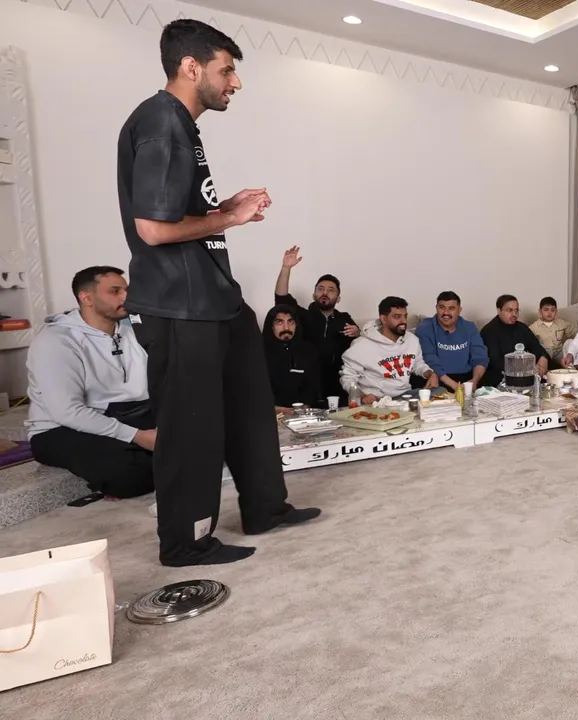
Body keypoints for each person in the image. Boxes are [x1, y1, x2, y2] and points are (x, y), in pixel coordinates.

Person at [117, 19, 318, 566]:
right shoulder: (162, 123)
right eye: (227, 70)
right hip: (180, 304)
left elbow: (175, 214)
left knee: (250, 405)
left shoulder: (181, 126)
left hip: (215, 297)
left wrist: (220, 208)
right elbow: (152, 229)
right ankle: (186, 542)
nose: (236, 82)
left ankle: (265, 507)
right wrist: (228, 219)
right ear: (191, 67)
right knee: (192, 429)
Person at [25, 267, 156, 499]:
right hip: (60, 429)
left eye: (126, 290)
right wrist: (138, 436)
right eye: (115, 291)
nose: (126, 297)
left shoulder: (134, 331)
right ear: (86, 298)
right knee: (130, 475)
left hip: (126, 415)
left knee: (201, 429)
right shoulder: (56, 341)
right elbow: (67, 412)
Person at [274, 246, 358, 404]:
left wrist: (357, 333)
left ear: (338, 298)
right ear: (314, 295)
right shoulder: (301, 316)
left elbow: (359, 348)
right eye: (320, 289)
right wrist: (286, 268)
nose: (325, 292)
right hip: (308, 382)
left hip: (338, 383)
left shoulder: (344, 319)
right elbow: (281, 298)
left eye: (331, 290)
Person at [340, 296, 436, 404]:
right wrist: (362, 396)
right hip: (378, 400)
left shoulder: (412, 340)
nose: (403, 321)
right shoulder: (361, 345)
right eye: (397, 317)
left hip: (405, 395)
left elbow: (417, 364)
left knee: (440, 392)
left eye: (405, 316)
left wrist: (430, 374)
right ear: (384, 319)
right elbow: (348, 378)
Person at [415, 291, 487, 392]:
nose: (446, 313)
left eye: (451, 308)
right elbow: (430, 360)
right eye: (442, 307)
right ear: (436, 308)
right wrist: (456, 386)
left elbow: (480, 358)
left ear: (459, 310)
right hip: (440, 378)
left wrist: (474, 381)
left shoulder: (469, 327)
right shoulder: (425, 328)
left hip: (466, 378)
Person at [261, 304, 325, 411]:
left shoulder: (308, 350)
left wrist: (302, 408)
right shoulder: (258, 352)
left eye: (291, 322)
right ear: (271, 326)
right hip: (268, 412)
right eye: (279, 322)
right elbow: (255, 390)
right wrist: (277, 409)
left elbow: (312, 387)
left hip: (301, 412)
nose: (286, 328)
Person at [480, 295, 550, 386]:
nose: (514, 314)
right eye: (510, 310)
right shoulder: (489, 331)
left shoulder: (522, 327)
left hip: (526, 372)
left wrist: (543, 358)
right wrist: (528, 367)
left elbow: (536, 346)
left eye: (516, 310)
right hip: (501, 375)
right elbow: (495, 362)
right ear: (499, 311)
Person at [529, 296, 576, 367]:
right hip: (545, 354)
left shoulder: (561, 323)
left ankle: (570, 368)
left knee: (570, 342)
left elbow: (575, 332)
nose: (549, 313)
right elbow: (529, 343)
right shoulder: (534, 327)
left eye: (552, 310)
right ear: (540, 311)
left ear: (556, 312)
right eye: (546, 310)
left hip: (559, 353)